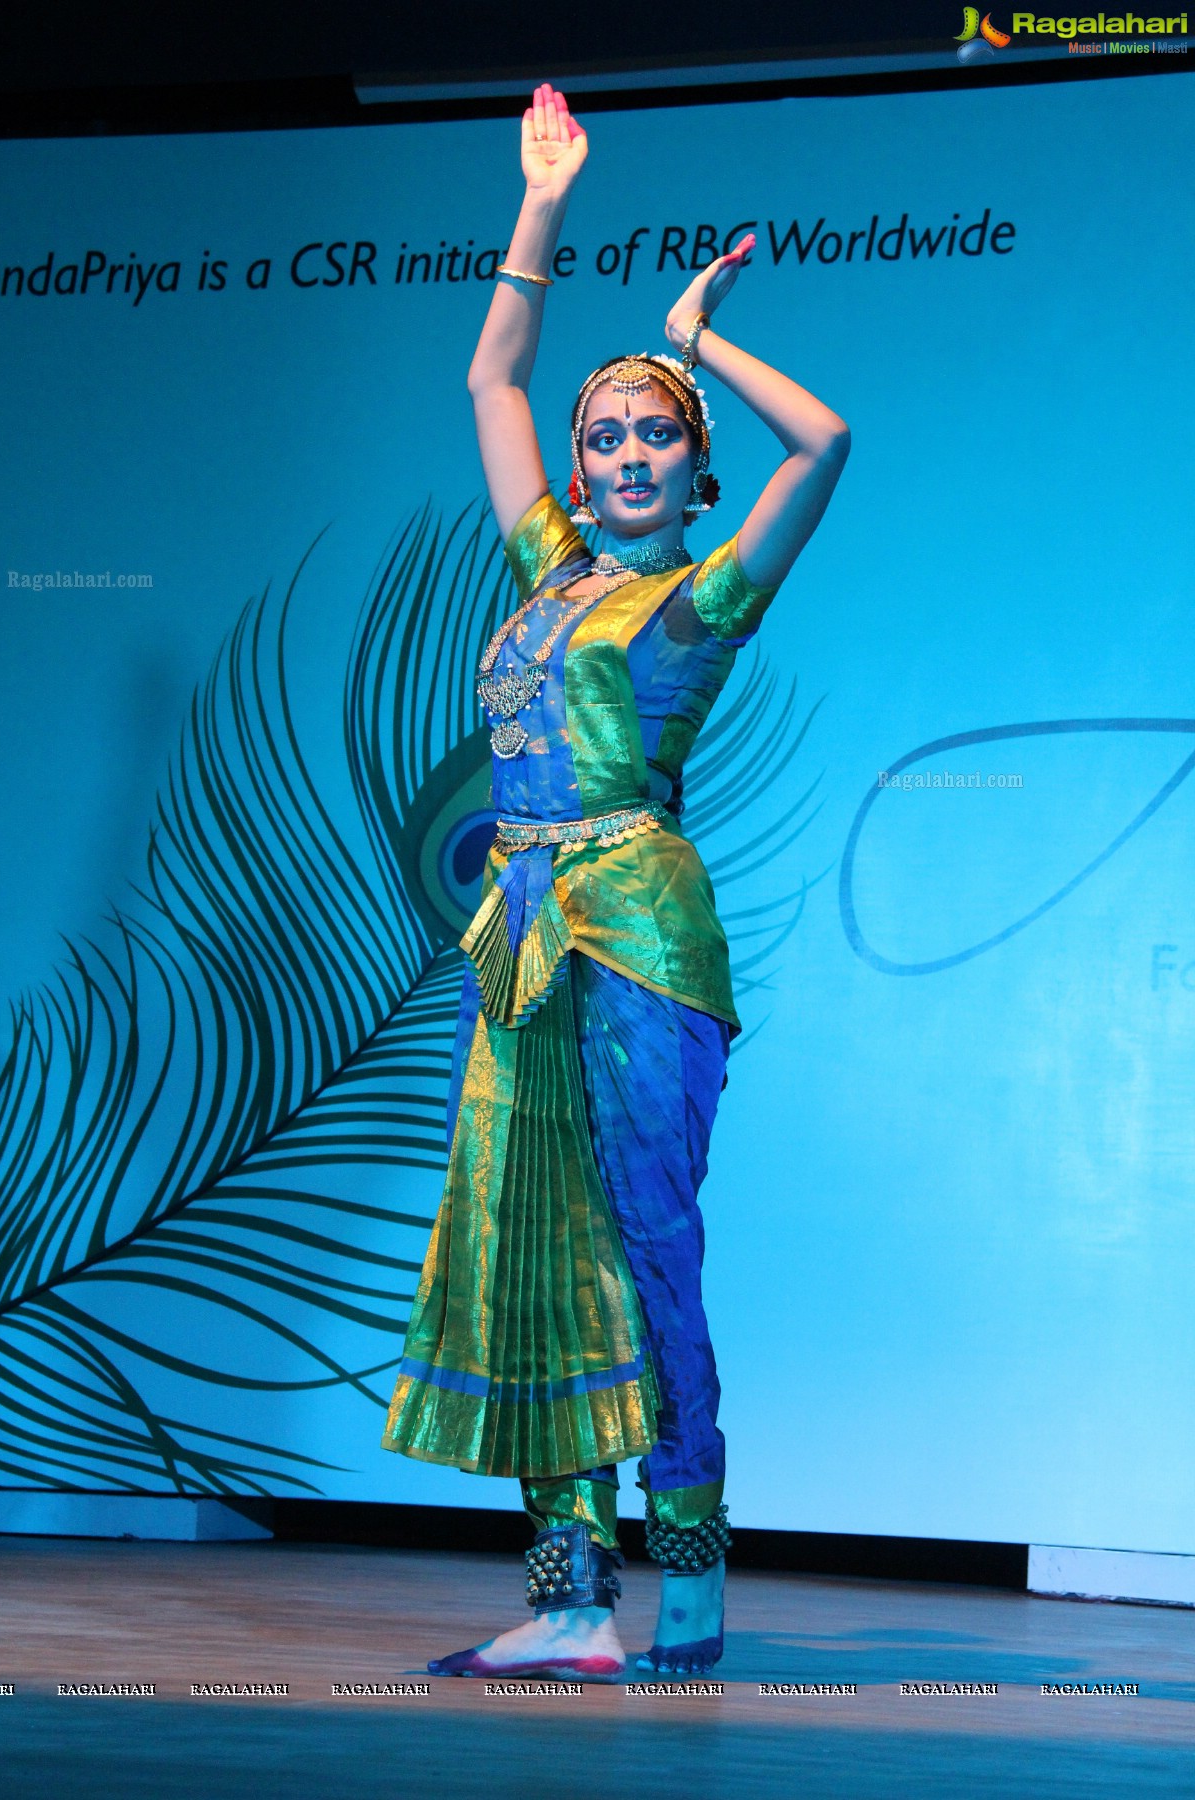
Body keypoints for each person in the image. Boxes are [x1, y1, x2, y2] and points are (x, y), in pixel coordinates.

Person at [382, 81, 850, 1681]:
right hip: (517, 935)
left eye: (660, 437)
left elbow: (828, 441)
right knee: (531, 1256)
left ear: (691, 473)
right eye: (610, 435)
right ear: (577, 473)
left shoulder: (701, 601)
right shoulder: (544, 572)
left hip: (638, 931)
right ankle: (572, 1596)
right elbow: (491, 373)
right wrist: (543, 201)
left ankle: (695, 1591)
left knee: (647, 1241)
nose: (630, 451)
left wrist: (695, 336)